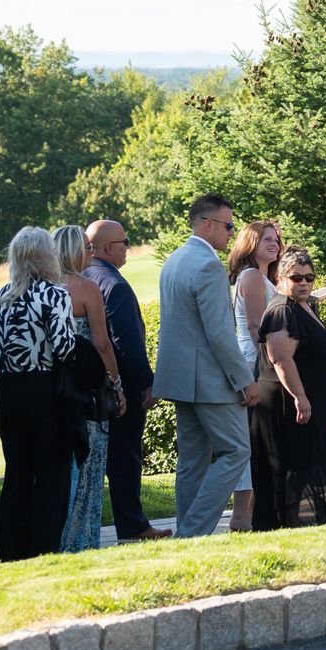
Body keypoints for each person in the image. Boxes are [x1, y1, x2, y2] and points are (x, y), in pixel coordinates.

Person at [154, 194, 259, 539]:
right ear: (208, 224)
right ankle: (193, 531)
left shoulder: (174, 259)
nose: (232, 232)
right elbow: (219, 333)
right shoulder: (209, 265)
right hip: (210, 381)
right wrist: (244, 380)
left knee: (192, 463)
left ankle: (189, 533)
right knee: (236, 451)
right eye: (228, 225)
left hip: (181, 379)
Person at [0, 226, 79, 561]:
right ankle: (44, 549)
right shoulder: (55, 294)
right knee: (52, 474)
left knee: (17, 474)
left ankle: (9, 551)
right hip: (47, 390)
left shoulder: (1, 296)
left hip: (10, 392)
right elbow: (65, 348)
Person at [82, 219, 168, 541]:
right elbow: (126, 343)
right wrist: (146, 383)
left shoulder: (81, 278)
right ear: (108, 248)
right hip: (119, 387)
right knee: (126, 458)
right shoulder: (113, 285)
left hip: (88, 386)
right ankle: (134, 525)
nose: (128, 246)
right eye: (125, 241)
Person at [251, 249, 326, 526]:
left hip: (309, 397)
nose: (304, 283)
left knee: (311, 456)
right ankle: (290, 522)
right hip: (288, 401)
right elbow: (281, 359)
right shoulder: (282, 310)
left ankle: (306, 520)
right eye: (297, 278)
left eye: (309, 277)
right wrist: (301, 397)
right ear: (281, 278)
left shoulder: (304, 305)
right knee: (294, 462)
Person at [55, 225, 125, 552]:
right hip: (87, 390)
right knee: (89, 469)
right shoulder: (85, 288)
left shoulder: (42, 288)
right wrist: (116, 385)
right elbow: (102, 344)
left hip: (54, 392)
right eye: (85, 247)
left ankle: (54, 538)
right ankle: (81, 542)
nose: (90, 253)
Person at [223, 220, 282, 531]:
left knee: (255, 440)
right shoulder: (252, 278)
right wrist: (272, 366)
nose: (274, 244)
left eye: (276, 239)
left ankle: (251, 514)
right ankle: (242, 517)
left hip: (256, 362)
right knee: (250, 441)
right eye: (266, 239)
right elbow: (256, 328)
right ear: (250, 243)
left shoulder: (259, 277)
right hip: (254, 365)